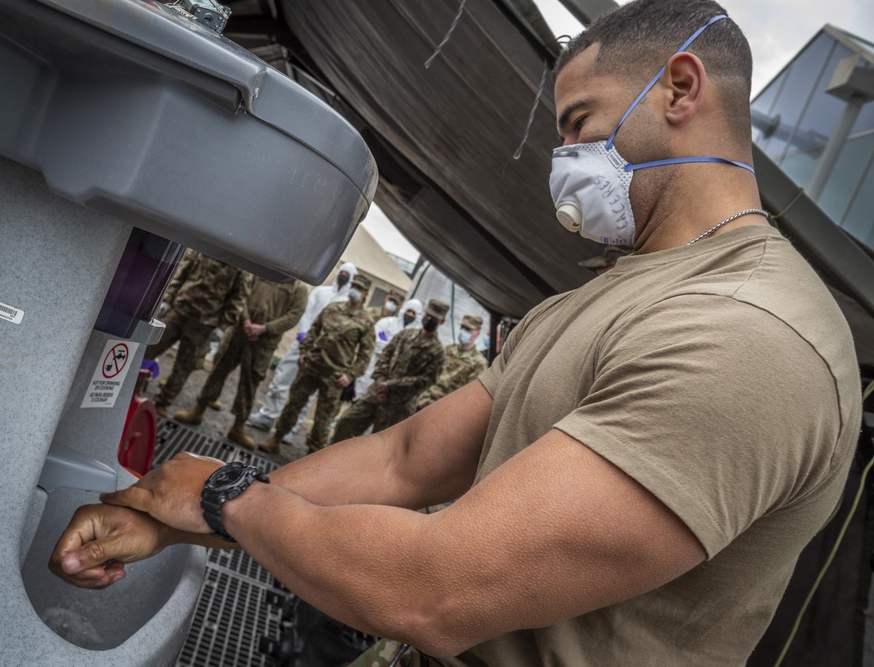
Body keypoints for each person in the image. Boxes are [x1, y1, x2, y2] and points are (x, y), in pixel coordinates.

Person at [50, 2, 862, 664]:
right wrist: (163, 516)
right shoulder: (596, 300)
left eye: (581, 124)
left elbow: (433, 590)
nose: (565, 158)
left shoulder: (751, 333)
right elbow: (402, 461)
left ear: (680, 89)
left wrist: (221, 497)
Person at [171, 274, 308, 449]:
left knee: (249, 384)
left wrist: (264, 329)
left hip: (263, 344)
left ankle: (238, 427)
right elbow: (242, 294)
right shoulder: (261, 272)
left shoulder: (298, 288)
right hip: (238, 333)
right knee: (218, 371)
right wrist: (246, 320)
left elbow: (293, 316)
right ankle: (199, 410)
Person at [255, 274, 376, 455]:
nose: (355, 292)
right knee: (293, 406)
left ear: (366, 294)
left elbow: (365, 356)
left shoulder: (365, 322)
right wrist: (304, 352)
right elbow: (314, 330)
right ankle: (277, 439)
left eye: (359, 289)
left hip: (335, 376)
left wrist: (350, 375)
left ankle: (313, 455)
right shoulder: (333, 308)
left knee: (323, 420)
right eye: (354, 287)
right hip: (311, 366)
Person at [246, 262, 357, 434]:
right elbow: (306, 312)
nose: (343, 276)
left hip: (322, 354)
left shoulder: (346, 303)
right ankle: (268, 416)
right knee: (282, 378)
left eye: (347, 275)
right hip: (302, 343)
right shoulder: (321, 292)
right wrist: (304, 336)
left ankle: (291, 428)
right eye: (342, 272)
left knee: (307, 391)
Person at [143, 250, 247, 418]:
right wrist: (168, 299)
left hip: (204, 323)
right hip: (180, 310)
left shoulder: (241, 267)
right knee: (148, 348)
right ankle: (134, 387)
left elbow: (238, 299)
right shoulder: (204, 248)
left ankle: (163, 403)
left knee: (184, 367)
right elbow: (182, 273)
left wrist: (223, 325)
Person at [332, 299, 448, 442]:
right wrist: (381, 383)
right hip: (377, 392)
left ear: (441, 322)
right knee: (346, 423)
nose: (429, 320)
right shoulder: (405, 335)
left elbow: (425, 381)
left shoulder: (437, 352)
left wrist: (391, 385)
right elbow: (385, 355)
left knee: (380, 444)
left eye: (434, 319)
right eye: (428, 315)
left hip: (399, 405)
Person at [352, 298, 423, 400]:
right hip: (374, 363)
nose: (410, 315)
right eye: (409, 311)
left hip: (394, 374)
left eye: (413, 313)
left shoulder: (416, 335)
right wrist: (394, 351)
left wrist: (391, 349)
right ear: (404, 310)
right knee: (362, 390)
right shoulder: (386, 323)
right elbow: (377, 340)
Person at [415, 314, 489, 411]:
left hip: (440, 410)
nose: (463, 332)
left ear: (477, 333)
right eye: (462, 327)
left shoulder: (478, 363)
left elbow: (468, 398)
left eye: (468, 329)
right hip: (420, 401)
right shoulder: (447, 350)